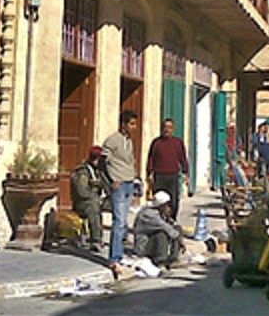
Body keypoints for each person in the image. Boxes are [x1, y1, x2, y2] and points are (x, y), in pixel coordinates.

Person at [102, 109, 138, 274]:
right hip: (118, 184)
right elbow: (103, 162)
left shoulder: (128, 141)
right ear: (123, 124)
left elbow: (129, 161)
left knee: (124, 222)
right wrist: (111, 181)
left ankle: (120, 253)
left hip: (129, 183)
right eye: (131, 124)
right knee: (118, 222)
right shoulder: (112, 140)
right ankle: (114, 259)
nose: (134, 127)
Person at [146, 118, 189, 219]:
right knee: (159, 200)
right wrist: (149, 173)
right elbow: (151, 158)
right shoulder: (156, 142)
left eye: (170, 127)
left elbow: (183, 158)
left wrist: (186, 173)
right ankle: (159, 220)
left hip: (173, 176)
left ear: (173, 129)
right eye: (165, 127)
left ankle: (172, 219)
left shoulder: (178, 142)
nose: (167, 130)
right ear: (162, 128)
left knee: (173, 201)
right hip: (159, 176)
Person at [133, 190, 186, 267]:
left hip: (152, 240)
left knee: (177, 228)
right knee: (162, 234)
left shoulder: (158, 212)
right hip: (143, 246)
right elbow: (166, 228)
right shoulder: (149, 214)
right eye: (167, 205)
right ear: (162, 205)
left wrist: (168, 218)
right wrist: (181, 241)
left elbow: (172, 226)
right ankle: (160, 259)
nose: (168, 207)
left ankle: (173, 259)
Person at [70, 145, 108, 250]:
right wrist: (96, 198)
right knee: (93, 208)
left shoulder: (99, 171)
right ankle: (95, 240)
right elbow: (81, 192)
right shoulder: (83, 171)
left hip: (97, 199)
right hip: (83, 203)